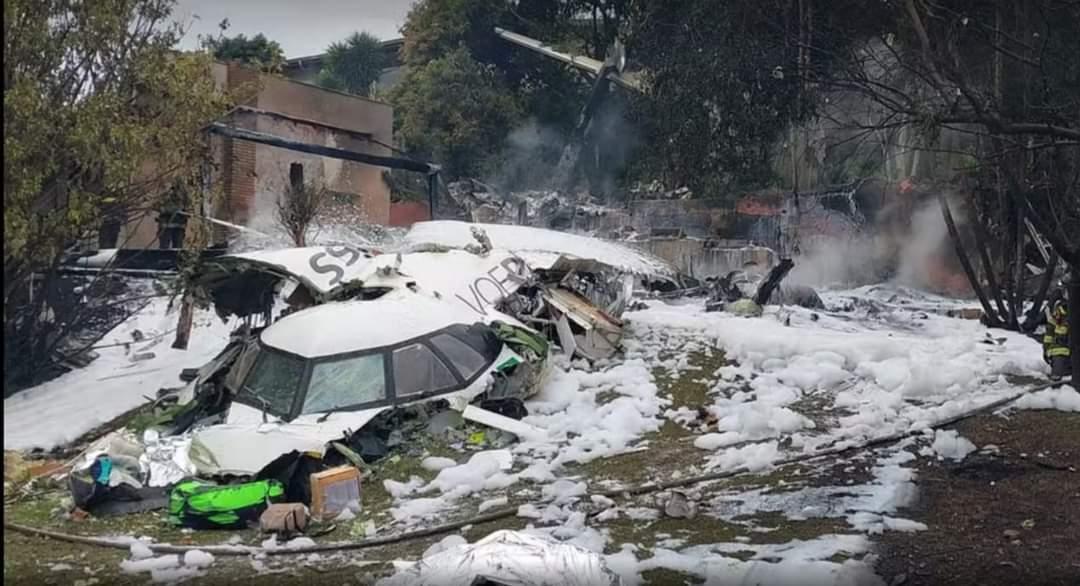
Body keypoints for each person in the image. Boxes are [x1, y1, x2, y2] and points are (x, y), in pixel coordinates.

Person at [1043, 286, 1071, 381]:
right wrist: (1046, 348)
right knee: (1057, 379)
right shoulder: (1059, 309)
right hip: (1060, 351)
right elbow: (1050, 330)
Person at [157, 183, 188, 249]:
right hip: (166, 225)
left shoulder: (185, 196)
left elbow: (188, 208)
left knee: (178, 248)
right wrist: (169, 210)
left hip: (179, 225)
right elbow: (158, 206)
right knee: (164, 248)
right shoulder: (166, 195)